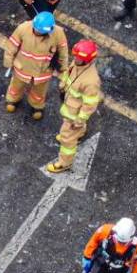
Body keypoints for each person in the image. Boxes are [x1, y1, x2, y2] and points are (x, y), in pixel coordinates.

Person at [47, 39, 103, 173]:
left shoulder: (91, 81)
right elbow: (68, 73)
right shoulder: (78, 64)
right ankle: (80, 133)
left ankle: (64, 163)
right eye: (75, 56)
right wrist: (63, 85)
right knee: (73, 131)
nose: (75, 59)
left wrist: (79, 121)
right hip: (70, 107)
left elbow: (89, 105)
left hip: (75, 114)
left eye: (78, 57)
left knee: (67, 140)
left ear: (87, 60)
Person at [3, 11, 70, 120]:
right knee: (16, 86)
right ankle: (12, 100)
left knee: (39, 92)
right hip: (23, 67)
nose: (37, 32)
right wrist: (8, 62)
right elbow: (11, 46)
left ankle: (37, 106)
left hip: (43, 72)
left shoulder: (58, 33)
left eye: (40, 31)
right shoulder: (23, 28)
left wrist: (63, 68)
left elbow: (63, 52)